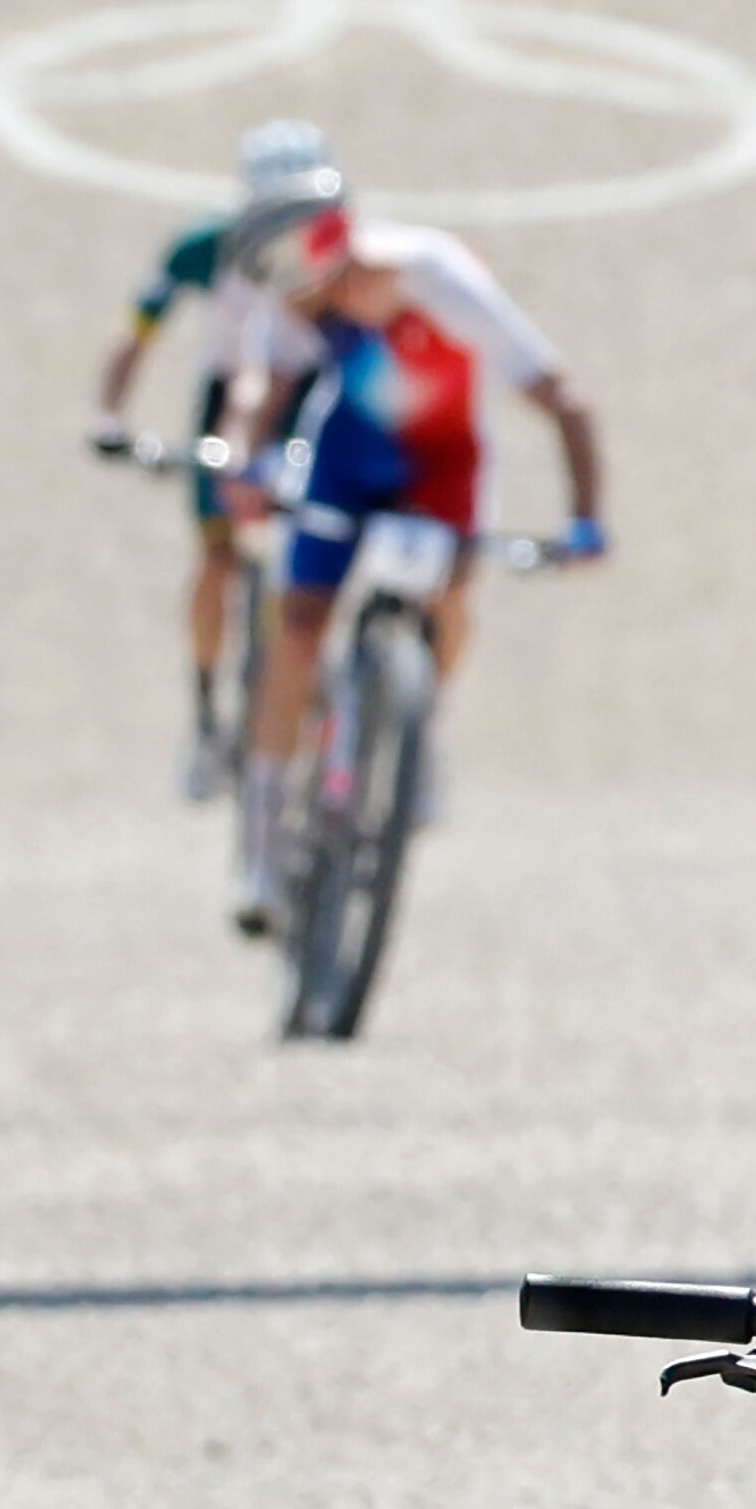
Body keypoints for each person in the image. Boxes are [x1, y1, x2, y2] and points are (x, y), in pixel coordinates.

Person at [219, 175, 605, 934]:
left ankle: (421, 722)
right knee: (298, 627)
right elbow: (261, 390)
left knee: (451, 597)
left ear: (318, 261)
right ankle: (261, 842)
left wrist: (586, 517)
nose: (285, 306)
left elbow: (562, 395)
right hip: (347, 456)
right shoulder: (302, 296)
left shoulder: (436, 278)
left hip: (443, 463)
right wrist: (246, 465)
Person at [89, 120, 333, 799]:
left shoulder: (343, 252)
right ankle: (206, 715)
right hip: (234, 395)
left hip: (316, 392)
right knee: (219, 557)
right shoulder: (204, 247)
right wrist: (110, 412)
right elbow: (136, 329)